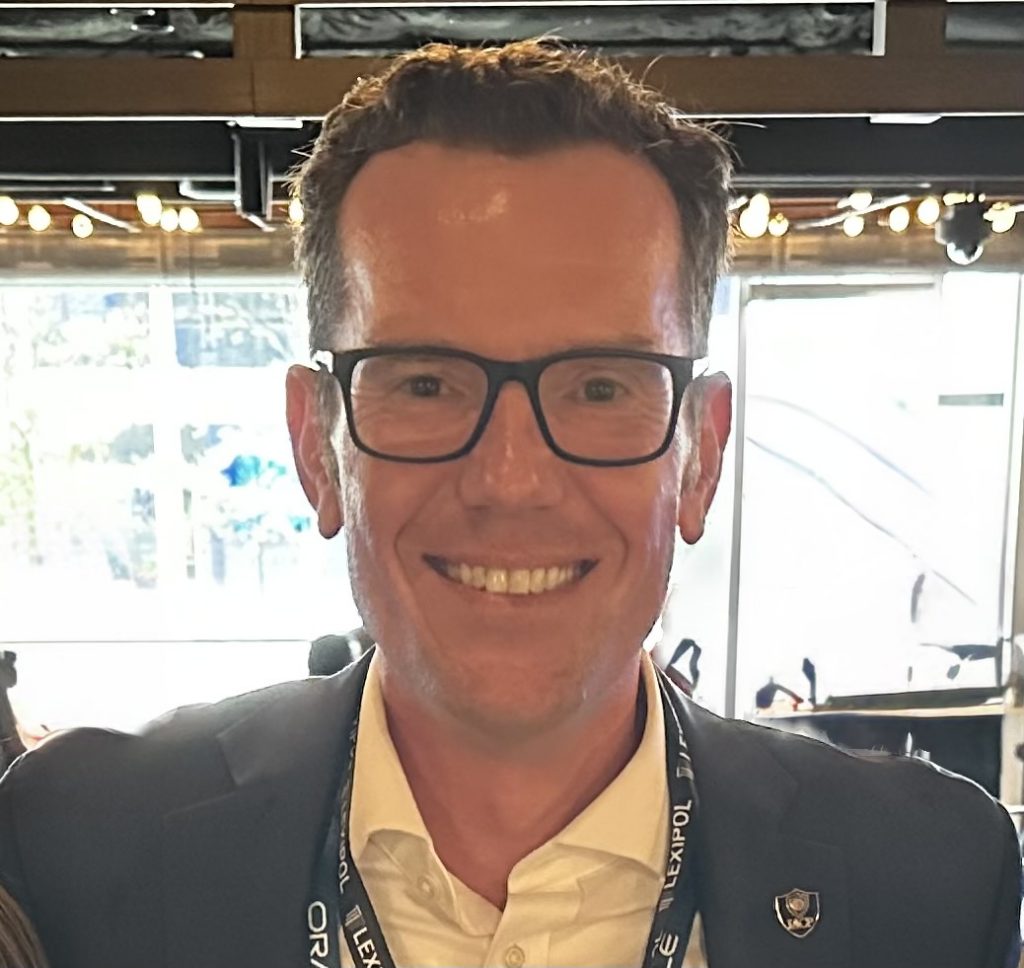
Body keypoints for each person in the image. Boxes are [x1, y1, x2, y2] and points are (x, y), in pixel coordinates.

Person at [0, 39, 1019, 968]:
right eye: (425, 381)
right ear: (317, 445)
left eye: (602, 385)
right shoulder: (78, 849)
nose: (510, 480)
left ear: (700, 452)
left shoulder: (930, 880)